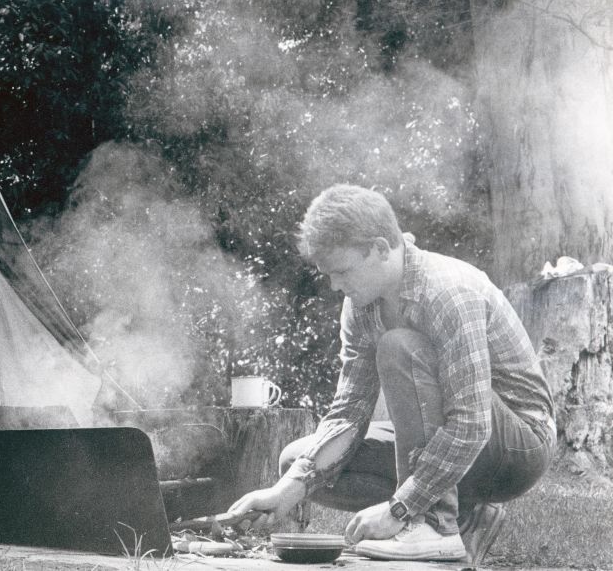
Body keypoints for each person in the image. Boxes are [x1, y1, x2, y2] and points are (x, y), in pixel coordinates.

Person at [228, 184, 555, 564]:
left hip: (517, 448)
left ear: (382, 249)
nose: (335, 286)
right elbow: (348, 412)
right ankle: (466, 514)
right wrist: (285, 491)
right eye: (328, 275)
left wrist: (400, 508)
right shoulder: (361, 305)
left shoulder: (448, 291)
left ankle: (434, 524)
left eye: (343, 271)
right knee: (298, 463)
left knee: (399, 346)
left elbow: (471, 424)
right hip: (466, 444)